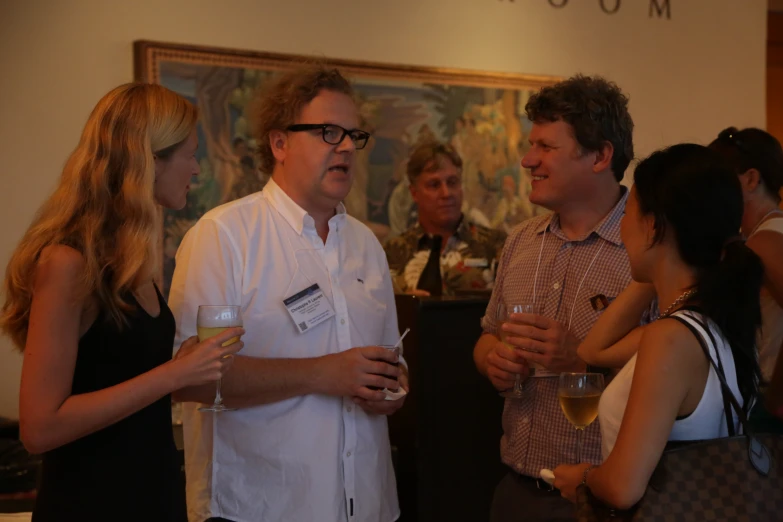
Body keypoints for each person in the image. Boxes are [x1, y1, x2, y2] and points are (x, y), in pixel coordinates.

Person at [168, 64, 405, 522]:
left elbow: (394, 366)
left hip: (368, 505)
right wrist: (322, 374)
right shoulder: (224, 235)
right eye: (328, 132)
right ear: (279, 143)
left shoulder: (367, 246)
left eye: (354, 135)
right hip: (260, 508)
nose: (345, 148)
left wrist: (391, 391)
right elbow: (193, 380)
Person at [0, 83, 243, 522]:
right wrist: (173, 374)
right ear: (149, 160)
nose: (197, 169)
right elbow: (39, 428)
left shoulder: (135, 262)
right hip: (91, 503)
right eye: (189, 154)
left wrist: (184, 364)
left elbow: (120, 373)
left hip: (152, 494)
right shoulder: (68, 261)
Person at [552, 144, 763, 510]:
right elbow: (593, 352)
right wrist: (659, 269)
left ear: (653, 224)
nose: (620, 226)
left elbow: (621, 487)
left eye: (628, 212)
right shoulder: (710, 318)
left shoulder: (671, 338)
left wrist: (584, 476)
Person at [472, 74, 636, 522]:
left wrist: (581, 361)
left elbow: (678, 378)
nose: (528, 160)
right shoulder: (521, 241)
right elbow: (487, 337)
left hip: (599, 502)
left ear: (601, 155)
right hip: (515, 488)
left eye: (546, 147)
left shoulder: (649, 248)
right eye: (532, 145)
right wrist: (493, 360)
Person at [709, 127, 783, 432]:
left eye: (718, 181)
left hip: (767, 407)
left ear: (751, 179)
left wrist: (773, 400)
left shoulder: (766, 239)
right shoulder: (755, 237)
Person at [384, 141, 506, 296]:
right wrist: (406, 307)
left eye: (452, 182)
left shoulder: (496, 245)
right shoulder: (392, 252)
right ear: (414, 193)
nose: (446, 193)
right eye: (434, 185)